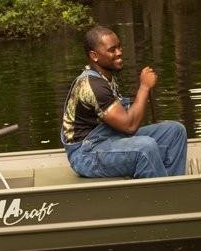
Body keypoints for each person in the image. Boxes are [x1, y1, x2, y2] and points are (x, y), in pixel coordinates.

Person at [61, 24, 187, 178]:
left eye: (119, 47)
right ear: (94, 56)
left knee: (175, 131)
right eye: (112, 50)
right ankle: (161, 197)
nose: (119, 53)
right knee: (145, 147)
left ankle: (172, 187)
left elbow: (125, 121)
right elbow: (129, 126)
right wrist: (144, 87)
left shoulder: (105, 76)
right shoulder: (93, 85)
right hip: (85, 154)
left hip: (109, 139)